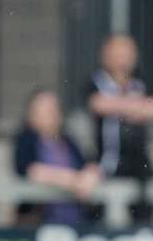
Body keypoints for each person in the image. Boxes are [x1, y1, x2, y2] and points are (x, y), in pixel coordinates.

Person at [86, 33, 153, 225]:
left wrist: (119, 106)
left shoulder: (142, 80)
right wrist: (136, 106)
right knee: (98, 210)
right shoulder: (96, 81)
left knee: (145, 211)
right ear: (105, 55)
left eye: (127, 53)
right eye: (117, 53)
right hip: (108, 158)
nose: (122, 59)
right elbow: (98, 104)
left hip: (139, 163)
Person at [12, 88, 101, 226]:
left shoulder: (69, 141)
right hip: (40, 223)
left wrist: (91, 174)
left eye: (54, 108)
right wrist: (73, 181)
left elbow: (88, 165)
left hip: (76, 221)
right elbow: (30, 170)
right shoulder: (26, 140)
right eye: (44, 110)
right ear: (31, 114)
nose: (51, 114)